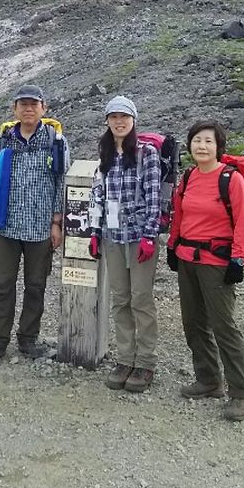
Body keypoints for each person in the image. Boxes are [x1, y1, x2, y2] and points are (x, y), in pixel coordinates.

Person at [167, 119, 244, 422]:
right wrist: (172, 245)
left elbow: (243, 221)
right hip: (188, 258)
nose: (201, 146)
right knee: (193, 323)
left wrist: (237, 261)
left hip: (217, 263)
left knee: (224, 327)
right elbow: (180, 213)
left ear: (218, 147)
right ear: (189, 145)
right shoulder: (188, 177)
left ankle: (240, 393)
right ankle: (208, 380)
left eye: (208, 141)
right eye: (197, 140)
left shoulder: (231, 179)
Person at [0, 84, 68, 365]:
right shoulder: (4, 140)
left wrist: (57, 222)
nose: (28, 109)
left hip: (40, 228)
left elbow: (60, 182)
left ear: (44, 108)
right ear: (14, 110)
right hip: (6, 225)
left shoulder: (56, 141)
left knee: (36, 285)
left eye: (34, 104)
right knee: (2, 285)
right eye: (23, 104)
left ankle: (28, 339)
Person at [88, 96, 161, 392]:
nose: (119, 122)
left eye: (124, 117)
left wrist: (149, 235)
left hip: (139, 236)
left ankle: (145, 362)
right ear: (107, 121)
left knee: (141, 298)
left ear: (134, 120)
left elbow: (154, 196)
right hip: (113, 236)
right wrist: (95, 231)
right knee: (120, 298)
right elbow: (97, 194)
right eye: (114, 117)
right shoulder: (105, 153)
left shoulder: (147, 154)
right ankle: (125, 358)